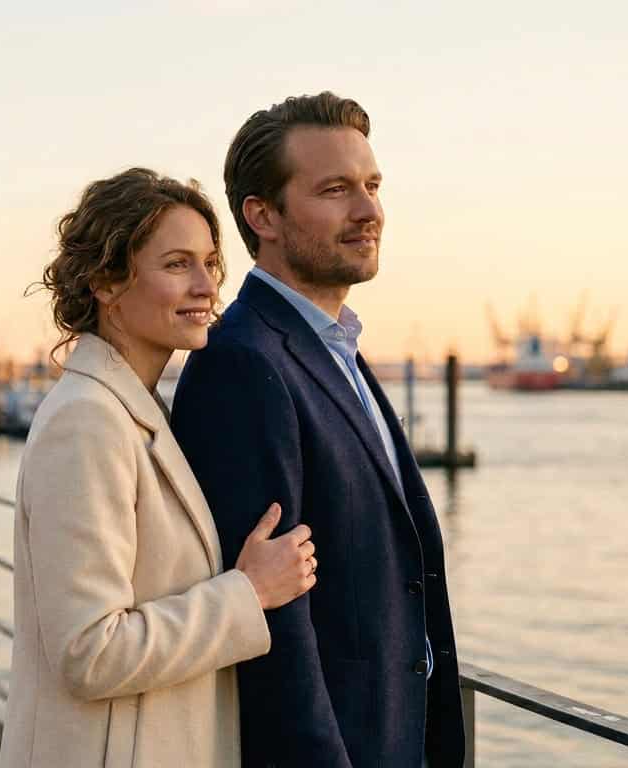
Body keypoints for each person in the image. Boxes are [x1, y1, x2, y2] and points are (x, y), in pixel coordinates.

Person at [171, 93, 464, 768]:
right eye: (335, 190)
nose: (369, 211)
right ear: (263, 215)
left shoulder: (338, 351)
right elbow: (272, 627)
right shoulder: (242, 363)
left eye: (372, 185)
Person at [0, 169, 318, 768]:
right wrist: (248, 593)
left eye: (209, 263)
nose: (206, 286)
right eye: (177, 264)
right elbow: (88, 651)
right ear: (106, 281)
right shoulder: (87, 422)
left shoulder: (133, 411)